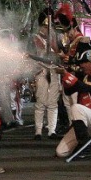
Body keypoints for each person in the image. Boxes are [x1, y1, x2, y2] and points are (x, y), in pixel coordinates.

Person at [55, 29, 91, 161]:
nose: (81, 65)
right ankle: (86, 141)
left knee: (76, 107)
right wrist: (65, 76)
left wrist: (67, 75)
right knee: (60, 152)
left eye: (84, 62)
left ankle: (85, 149)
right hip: (84, 121)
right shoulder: (83, 76)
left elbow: (85, 87)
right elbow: (69, 91)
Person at [31, 9, 63, 140]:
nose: (47, 28)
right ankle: (38, 131)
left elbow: (60, 53)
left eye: (48, 26)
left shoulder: (56, 37)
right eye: (45, 26)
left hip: (54, 71)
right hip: (42, 71)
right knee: (40, 103)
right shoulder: (35, 38)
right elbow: (32, 56)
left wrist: (54, 43)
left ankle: (52, 130)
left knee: (53, 103)